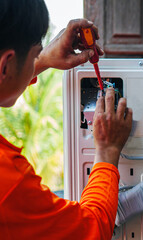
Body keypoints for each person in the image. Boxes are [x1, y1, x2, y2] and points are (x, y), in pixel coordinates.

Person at [0, 0, 133, 239]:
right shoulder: (9, 181)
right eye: (33, 57)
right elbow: (90, 229)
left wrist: (40, 61)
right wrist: (107, 151)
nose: (36, 63)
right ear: (5, 65)